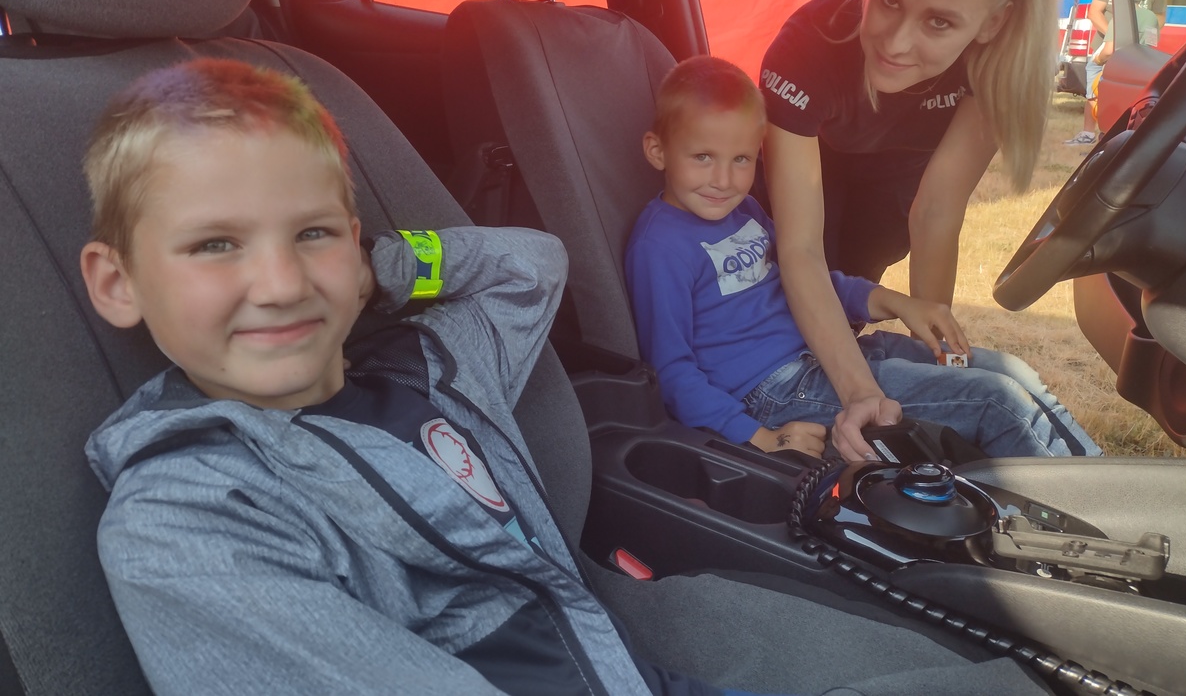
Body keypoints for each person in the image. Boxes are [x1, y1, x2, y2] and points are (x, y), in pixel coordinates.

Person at [79, 59, 1060, 696]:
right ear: (116, 283)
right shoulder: (188, 513)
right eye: (215, 244)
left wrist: (387, 267)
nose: (282, 282)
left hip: (616, 649)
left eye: (313, 234)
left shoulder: (434, 360)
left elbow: (531, 264)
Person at [626, 56, 1099, 461]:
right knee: (995, 402)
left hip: (829, 352)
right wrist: (758, 438)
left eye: (741, 160)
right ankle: (1083, 513)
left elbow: (810, 283)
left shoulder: (745, 212)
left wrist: (896, 302)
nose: (724, 180)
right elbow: (671, 372)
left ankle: (1102, 479)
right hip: (775, 394)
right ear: (657, 151)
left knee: (1009, 372)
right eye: (703, 157)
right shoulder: (659, 247)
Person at [757, 0, 1063, 460]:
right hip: (813, 165)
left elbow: (936, 212)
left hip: (894, 180)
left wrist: (943, 366)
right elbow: (801, 249)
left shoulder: (994, 64)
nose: (896, 42)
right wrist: (860, 393)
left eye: (939, 23)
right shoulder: (807, 46)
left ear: (991, 25)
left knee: (854, 305)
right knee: (790, 303)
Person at [1067, 0, 1165, 145]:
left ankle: (1120, 135)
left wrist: (1140, 40)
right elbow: (1094, 12)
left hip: (1133, 52)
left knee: (1125, 94)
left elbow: (1158, 20)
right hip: (1107, 45)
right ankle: (1088, 133)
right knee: (1094, 89)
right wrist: (1116, 36)